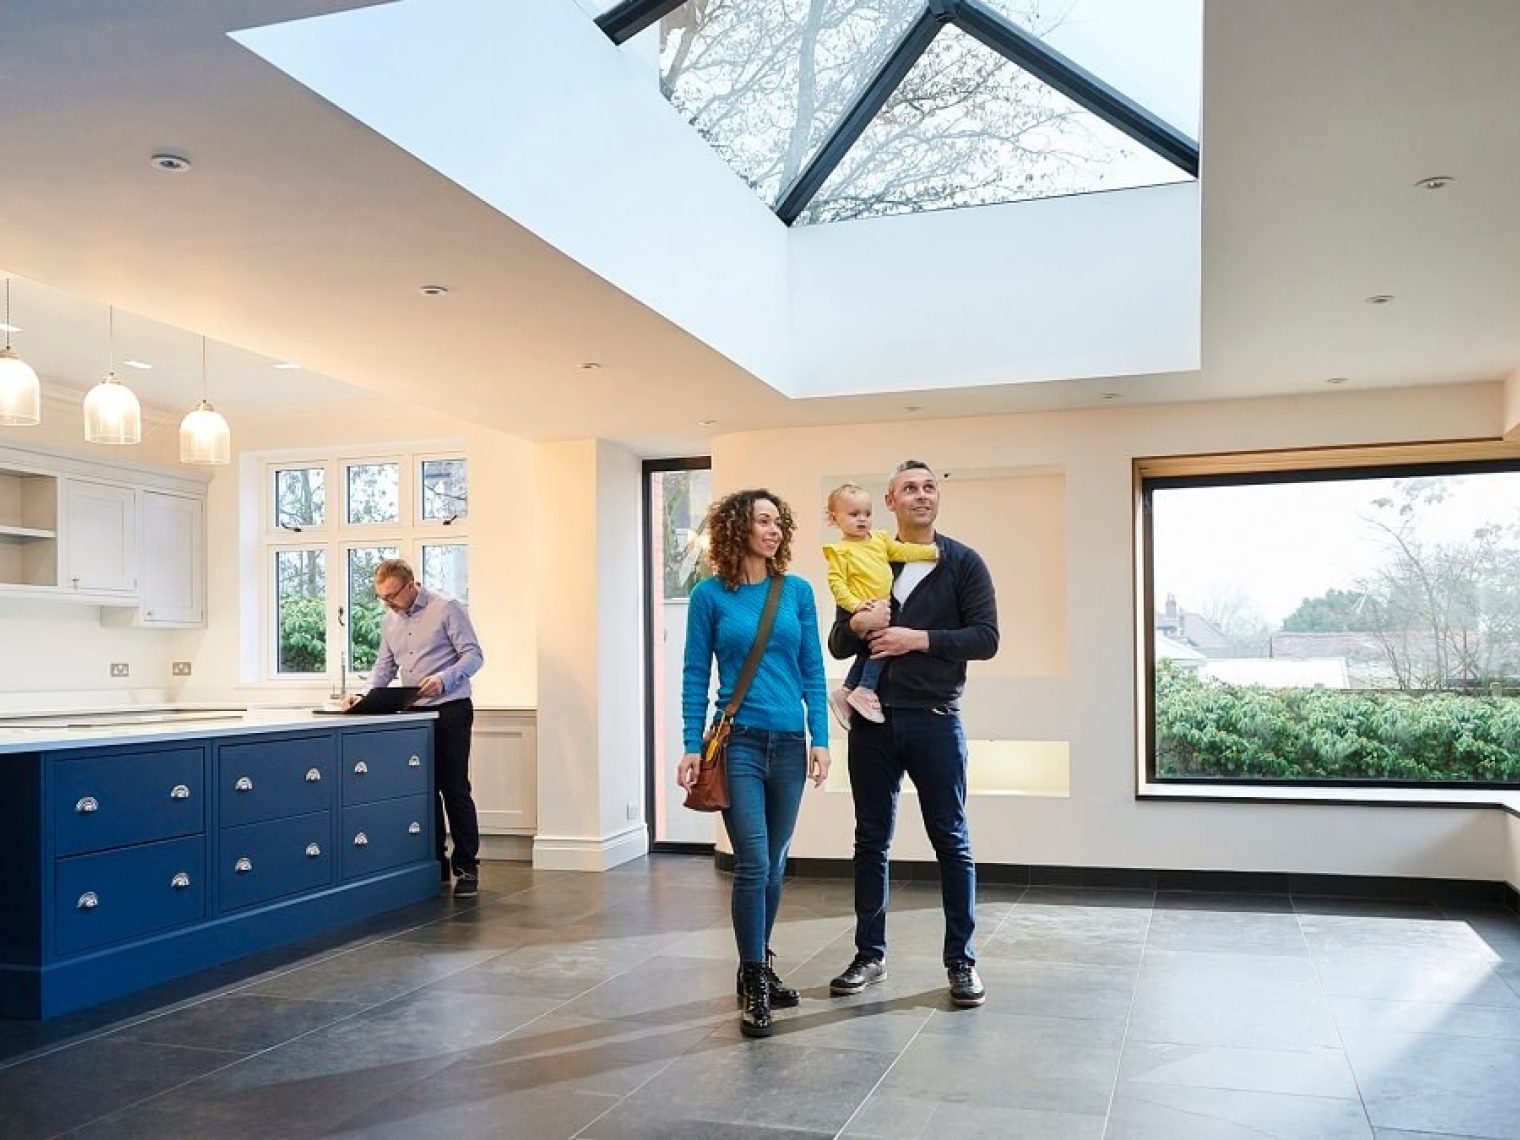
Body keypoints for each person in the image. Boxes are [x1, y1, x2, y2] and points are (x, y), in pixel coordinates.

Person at [825, 461, 998, 1008]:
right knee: (870, 842)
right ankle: (869, 956)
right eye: (909, 489)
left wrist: (913, 638)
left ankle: (961, 963)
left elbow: (986, 638)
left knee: (951, 842)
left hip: (936, 721)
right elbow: (837, 641)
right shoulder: (864, 555)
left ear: (937, 498)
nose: (921, 496)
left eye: (929, 487)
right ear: (890, 502)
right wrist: (858, 625)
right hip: (872, 723)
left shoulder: (963, 563)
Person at [678, 489, 831, 1038]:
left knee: (775, 861)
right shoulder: (709, 597)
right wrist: (692, 744)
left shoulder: (797, 592)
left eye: (778, 523)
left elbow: (812, 667)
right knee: (754, 862)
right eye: (763, 521)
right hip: (738, 742)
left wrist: (819, 737)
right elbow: (696, 673)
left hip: (790, 743)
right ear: (737, 528)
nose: (773, 531)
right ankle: (754, 978)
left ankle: (758, 966)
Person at [348, 557, 485, 898]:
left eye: (392, 595)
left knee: (453, 789)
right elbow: (384, 668)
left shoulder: (446, 607)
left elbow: (474, 655)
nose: (388, 603)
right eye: (382, 598)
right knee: (424, 791)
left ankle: (466, 867)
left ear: (411, 585)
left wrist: (444, 678)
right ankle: (434, 864)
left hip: (451, 709)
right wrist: (363, 697)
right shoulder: (389, 621)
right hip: (414, 717)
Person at [821, 481, 939, 726]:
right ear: (835, 518)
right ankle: (864, 689)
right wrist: (856, 607)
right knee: (882, 646)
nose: (862, 520)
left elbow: (903, 551)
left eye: (867, 514)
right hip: (867, 606)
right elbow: (837, 585)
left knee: (869, 650)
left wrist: (931, 552)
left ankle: (846, 692)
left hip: (882, 606)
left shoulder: (880, 540)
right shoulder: (839, 551)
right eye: (854, 515)